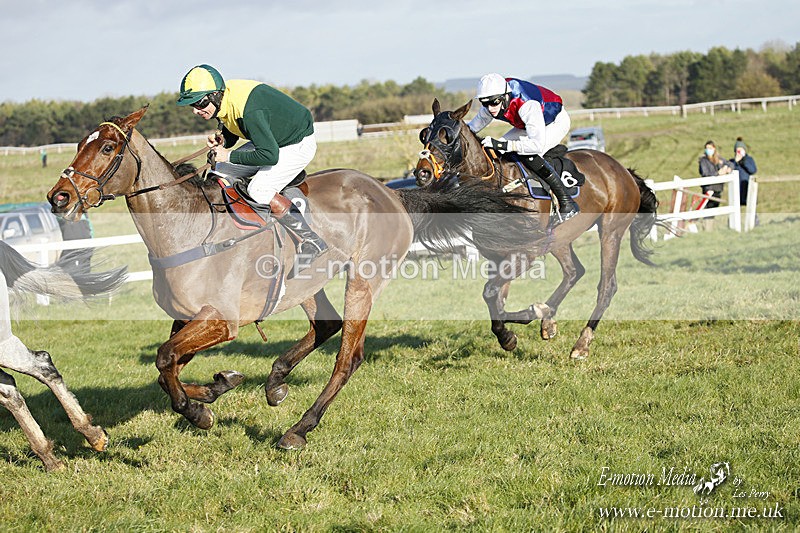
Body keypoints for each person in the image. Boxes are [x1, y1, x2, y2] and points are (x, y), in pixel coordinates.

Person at [176, 64, 327, 270]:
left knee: (258, 189)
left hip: (295, 144)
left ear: (214, 95)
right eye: (192, 105)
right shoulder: (224, 99)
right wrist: (223, 140)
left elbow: (269, 155)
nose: (195, 111)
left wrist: (228, 154)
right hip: (272, 139)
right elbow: (233, 127)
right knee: (217, 169)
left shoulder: (250, 110)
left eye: (199, 103)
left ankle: (311, 240)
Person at [466, 73, 578, 224]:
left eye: (494, 102)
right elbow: (470, 129)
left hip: (553, 123)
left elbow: (535, 145)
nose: (490, 108)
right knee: (498, 152)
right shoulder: (493, 99)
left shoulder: (526, 104)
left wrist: (505, 145)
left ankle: (567, 202)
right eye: (485, 103)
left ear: (505, 96)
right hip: (527, 125)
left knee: (529, 154)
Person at [697, 140, 734, 209]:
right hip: (708, 187)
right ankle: (705, 219)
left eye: (710, 148)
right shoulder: (703, 160)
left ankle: (710, 219)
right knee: (708, 207)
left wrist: (728, 168)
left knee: (715, 206)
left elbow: (730, 163)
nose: (708, 150)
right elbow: (705, 173)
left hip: (718, 187)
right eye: (707, 148)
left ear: (714, 148)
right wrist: (717, 173)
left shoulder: (719, 158)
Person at [730, 137, 757, 206]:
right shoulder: (732, 161)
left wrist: (743, 162)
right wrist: (736, 162)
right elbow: (730, 171)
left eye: (741, 150)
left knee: (750, 205)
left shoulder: (749, 159)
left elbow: (753, 170)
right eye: (737, 150)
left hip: (747, 186)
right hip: (736, 189)